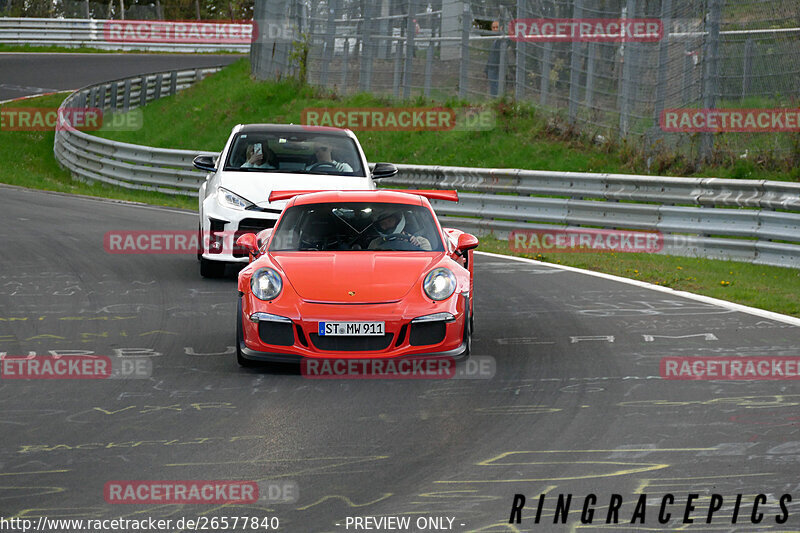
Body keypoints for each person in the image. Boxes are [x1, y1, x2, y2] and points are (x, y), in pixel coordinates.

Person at [485, 20, 503, 98]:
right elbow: (491, 56)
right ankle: (494, 102)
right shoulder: (494, 40)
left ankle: (498, 102)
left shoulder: (502, 39)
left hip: (498, 67)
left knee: (497, 87)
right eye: (493, 27)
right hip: (491, 68)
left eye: (497, 27)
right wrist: (486, 68)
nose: (495, 29)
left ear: (501, 28)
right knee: (493, 87)